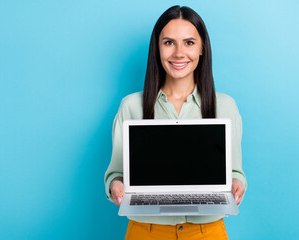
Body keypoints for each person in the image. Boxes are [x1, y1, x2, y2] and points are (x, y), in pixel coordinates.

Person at [104, 5, 247, 240]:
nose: (179, 53)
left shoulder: (225, 106)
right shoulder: (131, 105)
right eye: (169, 42)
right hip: (146, 232)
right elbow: (115, 174)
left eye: (189, 42)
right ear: (157, 49)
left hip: (207, 231)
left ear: (202, 48)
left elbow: (235, 172)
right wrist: (116, 186)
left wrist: (237, 183)